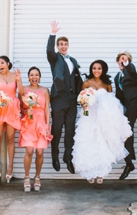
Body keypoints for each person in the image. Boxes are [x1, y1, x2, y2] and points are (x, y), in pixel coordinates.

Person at [72, 60, 132, 184]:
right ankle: (90, 172)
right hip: (89, 116)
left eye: (99, 68)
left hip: (103, 117)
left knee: (102, 144)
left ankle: (101, 172)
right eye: (94, 68)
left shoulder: (107, 84)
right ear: (91, 70)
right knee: (89, 142)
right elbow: (82, 99)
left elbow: (113, 103)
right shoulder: (86, 83)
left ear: (103, 70)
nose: (96, 71)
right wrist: (84, 104)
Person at [46, 21, 83, 174]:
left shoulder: (73, 60)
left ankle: (68, 157)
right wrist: (53, 34)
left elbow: (77, 78)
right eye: (60, 44)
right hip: (59, 98)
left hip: (72, 99)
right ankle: (55, 156)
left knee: (70, 131)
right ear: (57, 46)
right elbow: (49, 50)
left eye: (65, 44)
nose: (63, 46)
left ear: (68, 46)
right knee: (57, 129)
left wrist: (83, 94)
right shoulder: (54, 58)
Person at [0, 56, 22, 182]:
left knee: (10, 139)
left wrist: (19, 80)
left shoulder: (14, 75)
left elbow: (21, 93)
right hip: (0, 107)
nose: (0, 65)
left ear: (8, 63)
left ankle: (10, 166)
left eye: (2, 63)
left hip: (12, 109)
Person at [114, 51, 137, 180]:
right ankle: (129, 160)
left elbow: (132, 71)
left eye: (125, 60)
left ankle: (129, 162)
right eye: (120, 60)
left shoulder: (132, 72)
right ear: (117, 62)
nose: (122, 62)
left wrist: (127, 63)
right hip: (125, 107)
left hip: (135, 105)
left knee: (127, 132)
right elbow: (119, 94)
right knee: (126, 133)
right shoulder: (117, 76)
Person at [18, 66, 52, 192]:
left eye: (36, 75)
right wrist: (27, 111)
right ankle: (26, 177)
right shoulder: (24, 90)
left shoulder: (44, 90)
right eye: (31, 75)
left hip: (41, 122)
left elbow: (47, 109)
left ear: (40, 77)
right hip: (29, 122)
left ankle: (37, 177)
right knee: (30, 151)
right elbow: (20, 108)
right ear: (28, 77)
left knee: (40, 152)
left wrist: (48, 125)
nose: (34, 77)